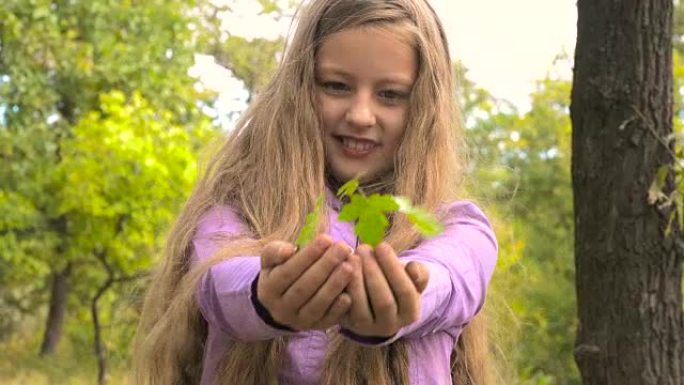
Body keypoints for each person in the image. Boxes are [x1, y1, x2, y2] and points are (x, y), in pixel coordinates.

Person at [133, 0, 498, 384]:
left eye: (390, 94)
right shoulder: (239, 211)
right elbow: (219, 281)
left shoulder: (458, 227)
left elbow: (451, 277)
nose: (360, 115)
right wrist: (266, 293)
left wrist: (406, 290)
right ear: (301, 88)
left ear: (423, 107)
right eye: (336, 86)